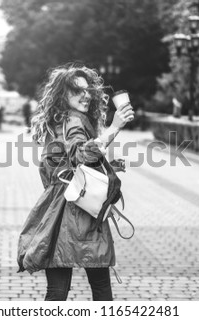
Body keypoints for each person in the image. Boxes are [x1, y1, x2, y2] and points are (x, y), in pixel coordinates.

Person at [17, 64, 134, 301]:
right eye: (77, 90)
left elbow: (67, 163)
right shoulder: (73, 120)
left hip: (59, 212)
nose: (86, 95)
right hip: (81, 211)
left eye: (88, 90)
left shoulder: (62, 119)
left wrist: (106, 166)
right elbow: (81, 154)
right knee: (101, 289)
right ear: (63, 95)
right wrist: (115, 127)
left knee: (57, 292)